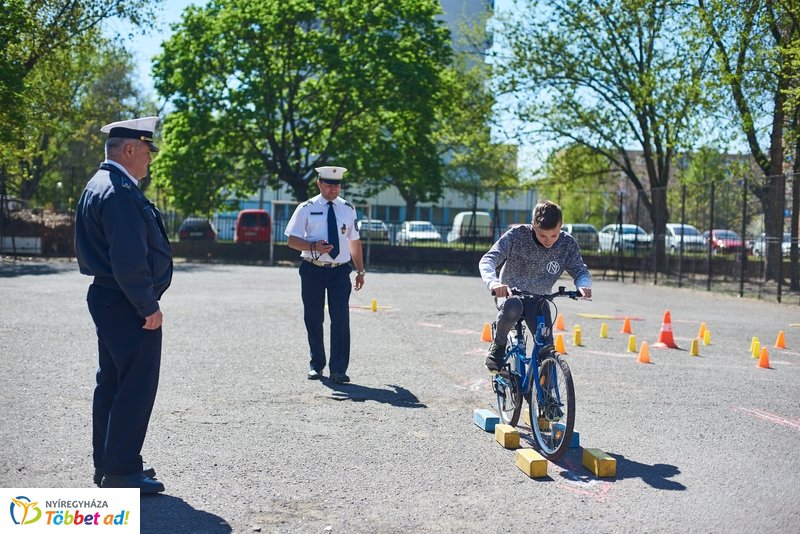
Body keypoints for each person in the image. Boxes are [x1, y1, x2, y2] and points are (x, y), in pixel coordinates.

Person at [74, 116, 171, 494]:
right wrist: (148, 306)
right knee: (135, 386)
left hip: (111, 297)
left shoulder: (100, 186)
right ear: (129, 149)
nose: (150, 160)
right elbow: (128, 259)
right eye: (147, 151)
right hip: (126, 301)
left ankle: (110, 464)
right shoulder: (117, 191)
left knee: (113, 383)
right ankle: (122, 472)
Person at [479, 200, 592, 372]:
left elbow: (580, 271)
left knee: (546, 349)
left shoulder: (567, 244)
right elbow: (489, 259)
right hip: (510, 294)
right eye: (542, 235)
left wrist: (584, 285)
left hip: (539, 299)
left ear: (561, 226)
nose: (549, 241)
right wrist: (494, 283)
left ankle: (548, 396)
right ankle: (498, 346)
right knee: (513, 306)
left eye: (554, 235)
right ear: (533, 226)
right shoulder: (517, 235)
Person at [285, 166, 366, 384]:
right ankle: (316, 365)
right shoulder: (306, 208)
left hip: (340, 271)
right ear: (319, 184)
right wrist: (313, 246)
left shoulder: (348, 209)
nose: (333, 189)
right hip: (312, 268)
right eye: (329, 185)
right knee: (313, 317)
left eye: (336, 185)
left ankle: (338, 369)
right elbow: (292, 240)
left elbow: (354, 241)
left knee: (340, 319)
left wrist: (360, 270)